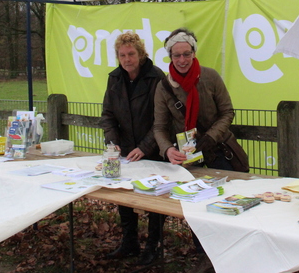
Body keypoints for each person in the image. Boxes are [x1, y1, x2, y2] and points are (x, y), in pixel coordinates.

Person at [152, 28, 237, 273]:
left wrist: (211, 137)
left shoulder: (210, 77)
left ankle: (230, 254)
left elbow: (227, 112)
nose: (182, 60)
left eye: (186, 54)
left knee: (227, 202)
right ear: (170, 56)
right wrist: (167, 149)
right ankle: (205, 255)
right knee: (197, 208)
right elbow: (158, 126)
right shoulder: (163, 87)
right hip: (188, 156)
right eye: (176, 55)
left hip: (219, 149)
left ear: (193, 52)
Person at [99, 31, 166, 266]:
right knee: (124, 197)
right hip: (125, 150)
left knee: (155, 202)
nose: (127, 59)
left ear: (141, 54)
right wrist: (112, 142)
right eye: (122, 55)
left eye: (131, 54)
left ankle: (153, 246)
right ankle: (129, 243)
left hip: (154, 150)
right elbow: (107, 114)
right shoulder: (114, 78)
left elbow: (162, 119)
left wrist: (145, 147)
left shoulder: (156, 77)